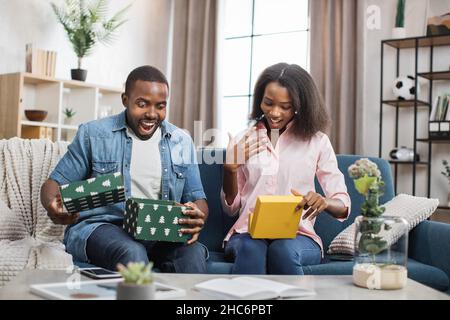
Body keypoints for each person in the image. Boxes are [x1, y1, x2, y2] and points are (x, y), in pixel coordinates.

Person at [40, 65, 209, 273]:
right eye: (142, 104)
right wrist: (52, 205)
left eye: (160, 106)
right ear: (125, 100)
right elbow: (53, 184)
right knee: (132, 252)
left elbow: (197, 197)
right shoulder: (93, 134)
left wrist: (197, 214)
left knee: (193, 254)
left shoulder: (181, 141)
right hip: (103, 228)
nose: (152, 114)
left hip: (160, 231)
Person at [221, 63, 351, 275]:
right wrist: (229, 169)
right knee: (251, 250)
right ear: (259, 100)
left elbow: (343, 205)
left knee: (283, 250)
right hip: (248, 233)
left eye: (285, 106)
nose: (274, 112)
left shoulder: (317, 142)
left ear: (300, 105)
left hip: (298, 235)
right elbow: (231, 207)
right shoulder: (243, 140)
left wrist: (324, 202)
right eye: (268, 103)